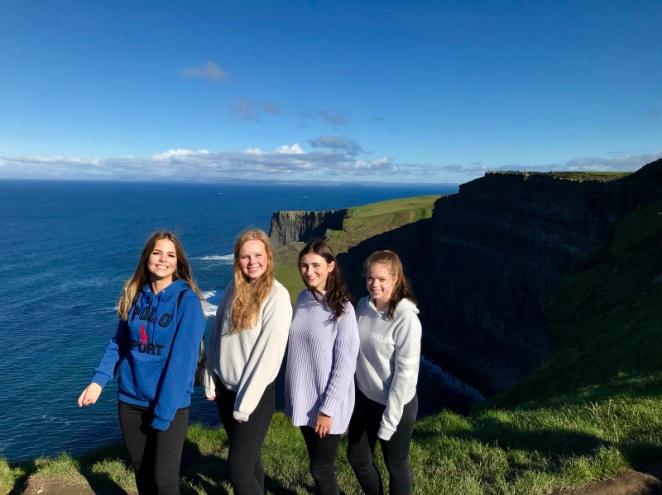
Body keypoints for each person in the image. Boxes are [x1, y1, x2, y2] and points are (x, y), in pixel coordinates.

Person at [78, 231, 206, 495]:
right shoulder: (136, 295)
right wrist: (98, 381)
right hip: (131, 401)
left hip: (169, 406)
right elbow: (119, 343)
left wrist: (162, 415)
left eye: (170, 255)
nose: (163, 259)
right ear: (147, 257)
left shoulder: (187, 302)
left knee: (165, 481)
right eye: (157, 253)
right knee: (143, 474)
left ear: (178, 262)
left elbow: (182, 365)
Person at [202, 229, 292, 495]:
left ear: (268, 257)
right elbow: (217, 333)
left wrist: (244, 405)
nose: (252, 262)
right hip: (226, 390)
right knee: (250, 464)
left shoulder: (277, 296)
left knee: (238, 471)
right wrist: (210, 377)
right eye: (245, 256)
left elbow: (269, 357)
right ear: (237, 261)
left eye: (258, 255)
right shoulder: (234, 289)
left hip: (254, 396)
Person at [284, 240, 359, 495]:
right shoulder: (303, 298)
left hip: (327, 404)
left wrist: (328, 410)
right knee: (317, 464)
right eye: (304, 266)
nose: (309, 272)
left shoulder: (343, 309)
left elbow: (345, 365)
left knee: (321, 469)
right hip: (305, 399)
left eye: (316, 265)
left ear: (331, 266)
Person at [347, 250, 422, 495]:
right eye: (370, 278)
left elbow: (406, 375)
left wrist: (390, 420)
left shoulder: (406, 320)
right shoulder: (362, 306)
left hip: (395, 404)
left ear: (395, 279)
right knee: (358, 457)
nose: (374, 284)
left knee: (396, 466)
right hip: (364, 398)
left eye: (382, 279)